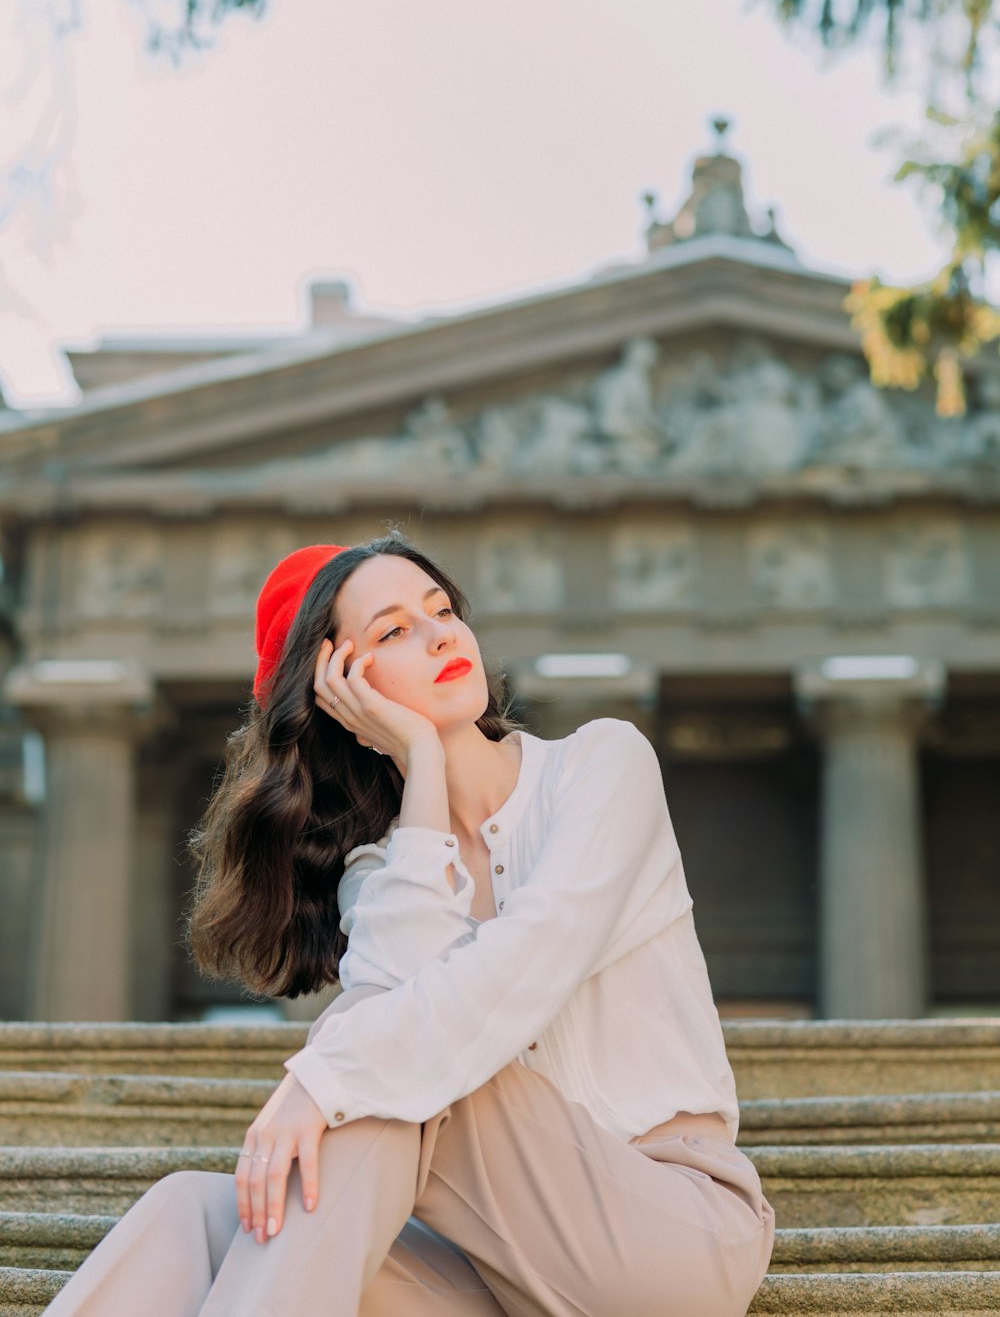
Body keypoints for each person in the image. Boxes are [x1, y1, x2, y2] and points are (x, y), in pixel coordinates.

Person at [44, 531, 775, 1317]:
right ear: (343, 691)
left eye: (441, 609)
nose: (439, 634)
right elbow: (388, 1014)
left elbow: (521, 969)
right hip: (504, 1275)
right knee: (193, 1212)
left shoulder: (602, 765)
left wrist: (324, 1081)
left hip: (669, 1239)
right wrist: (422, 763)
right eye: (394, 631)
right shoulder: (386, 872)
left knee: (385, 1069)